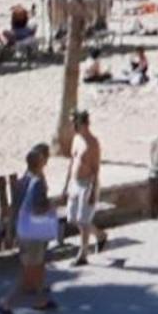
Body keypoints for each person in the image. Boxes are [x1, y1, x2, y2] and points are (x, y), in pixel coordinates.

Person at [0, 144, 60, 314]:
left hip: (22, 229)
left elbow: (14, 208)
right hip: (34, 232)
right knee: (28, 273)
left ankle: (40, 300)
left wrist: (10, 231)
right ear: (41, 161)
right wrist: (51, 207)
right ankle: (6, 302)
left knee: (38, 266)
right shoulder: (38, 182)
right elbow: (38, 208)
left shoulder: (22, 180)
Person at [62, 111, 109, 265]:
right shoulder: (76, 139)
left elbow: (96, 168)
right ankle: (100, 235)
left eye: (75, 123)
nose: (73, 126)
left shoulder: (93, 143)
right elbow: (72, 162)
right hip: (75, 183)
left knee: (83, 220)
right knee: (73, 218)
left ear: (83, 124)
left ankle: (83, 254)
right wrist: (66, 184)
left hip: (87, 183)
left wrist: (93, 191)